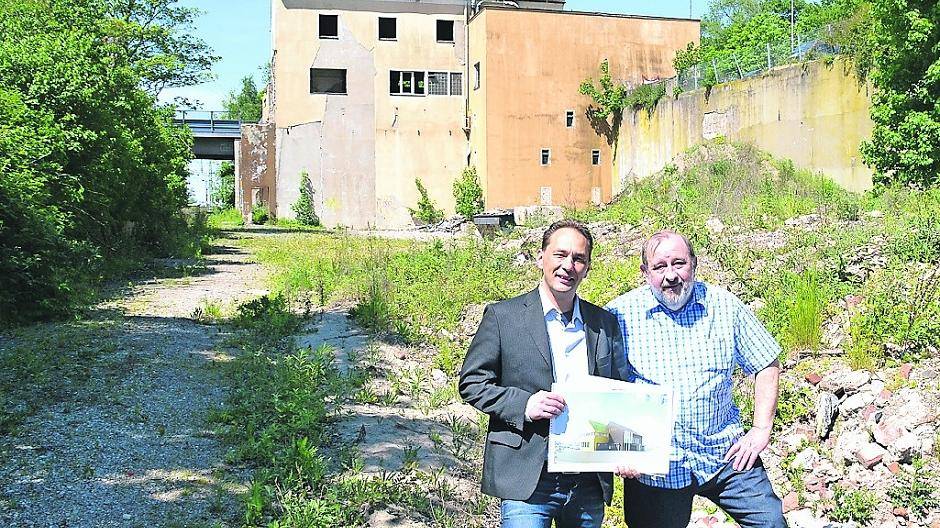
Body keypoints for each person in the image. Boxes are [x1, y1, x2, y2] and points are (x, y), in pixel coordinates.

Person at [605, 229, 786, 528]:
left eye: (679, 263)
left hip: (724, 454)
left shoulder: (724, 307)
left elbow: (766, 361)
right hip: (657, 465)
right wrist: (620, 446)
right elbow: (603, 386)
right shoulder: (619, 315)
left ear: (694, 264)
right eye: (660, 267)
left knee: (771, 522)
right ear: (644, 272)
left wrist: (761, 429)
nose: (671, 275)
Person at [459, 220, 626, 528]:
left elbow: (619, 393)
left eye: (578, 259)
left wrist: (628, 450)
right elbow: (472, 382)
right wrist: (524, 405)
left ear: (587, 268)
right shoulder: (503, 317)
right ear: (541, 258)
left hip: (587, 480)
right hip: (528, 475)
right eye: (560, 255)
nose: (568, 266)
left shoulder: (603, 324)